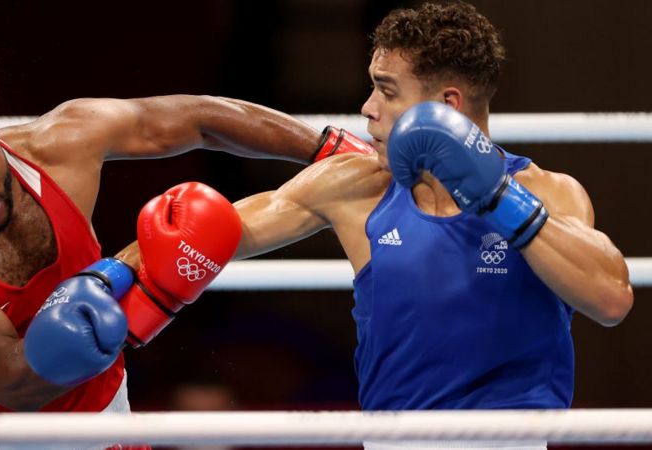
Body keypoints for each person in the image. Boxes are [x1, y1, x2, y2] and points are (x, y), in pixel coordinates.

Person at [221, 2, 632, 448]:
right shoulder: (357, 187)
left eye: (387, 91)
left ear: (446, 106)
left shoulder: (550, 193)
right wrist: (131, 267)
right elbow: (214, 233)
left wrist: (498, 197)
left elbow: (611, 300)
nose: (367, 108)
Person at [0, 77, 372, 420]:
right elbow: (16, 384)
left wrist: (330, 149)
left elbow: (198, 119)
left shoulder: (61, 145)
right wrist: (151, 296)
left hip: (105, 415)